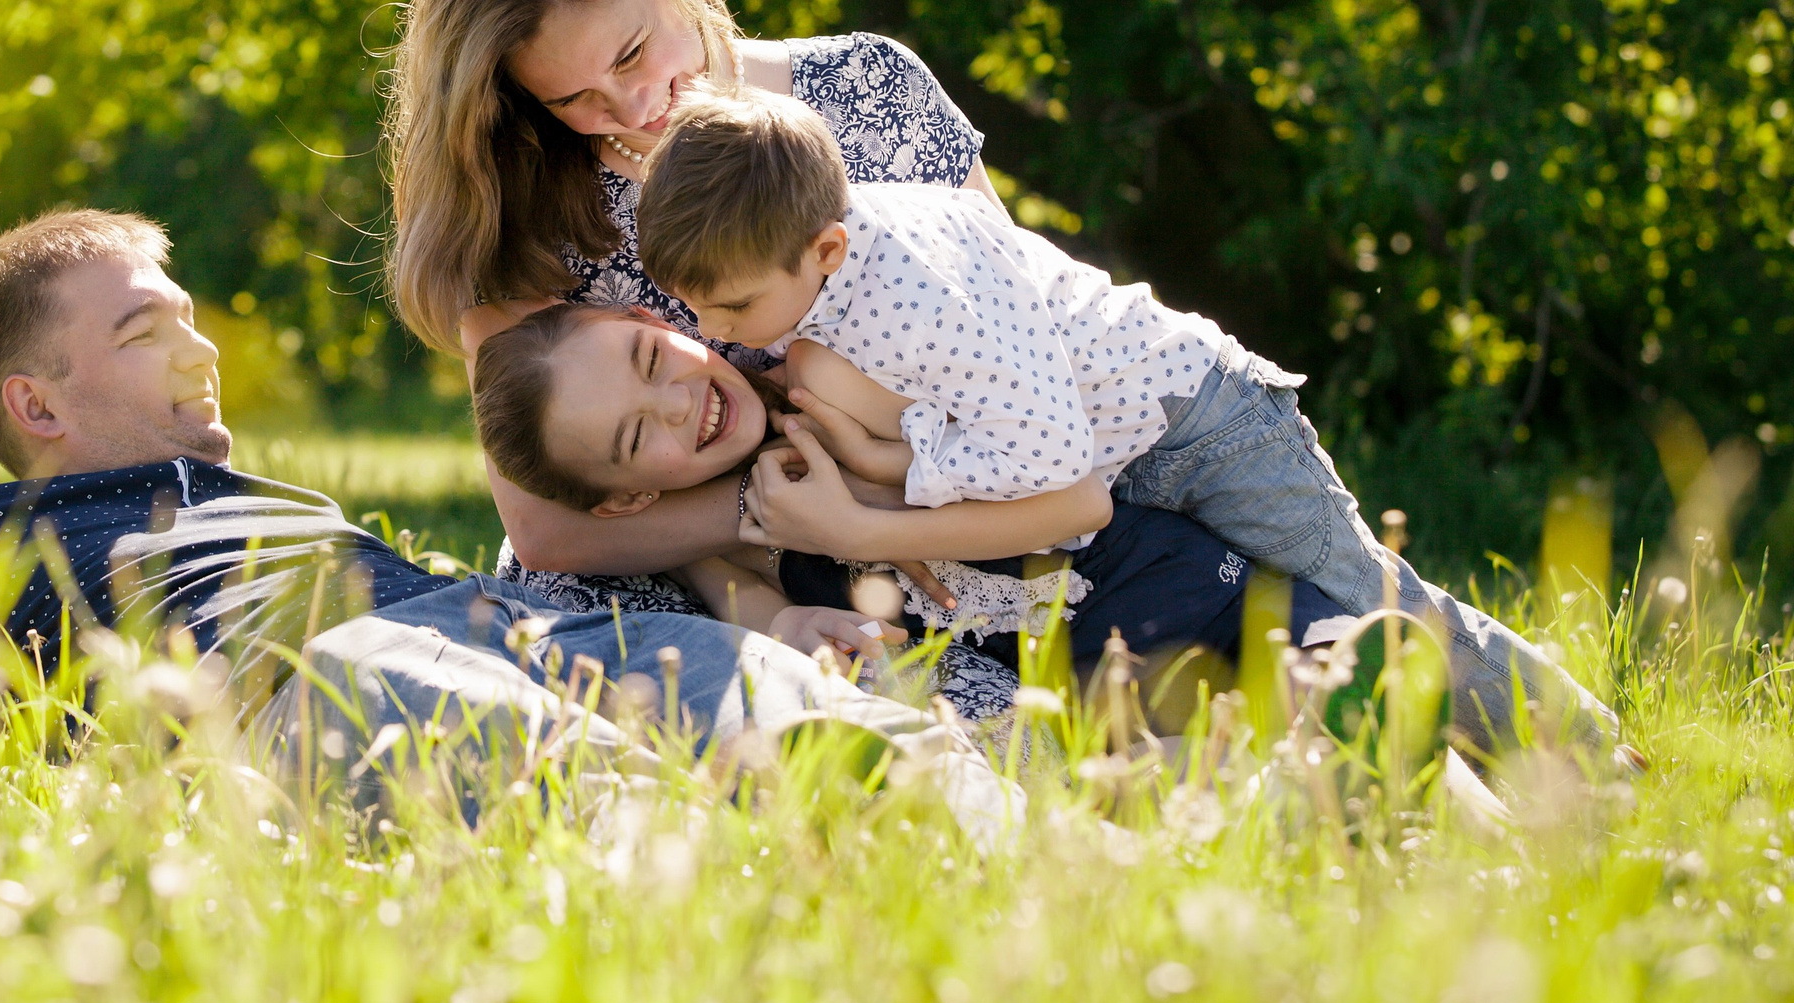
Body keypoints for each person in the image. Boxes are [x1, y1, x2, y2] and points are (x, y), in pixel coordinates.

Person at [0, 207, 1016, 835]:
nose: (202, 348)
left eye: (189, 317)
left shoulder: (275, 504)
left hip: (515, 621)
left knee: (791, 712)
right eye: (146, 334)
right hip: (308, 676)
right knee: (516, 753)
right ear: (35, 403)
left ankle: (987, 841)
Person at [607, 84, 1617, 749]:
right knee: (1322, 618)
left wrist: (876, 485)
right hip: (1121, 432)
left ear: (823, 252)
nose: (714, 330)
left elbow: (1060, 484)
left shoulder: (912, 302)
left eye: (732, 307)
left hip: (1201, 422)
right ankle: (1454, 752)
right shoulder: (831, 266)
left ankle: (1581, 749)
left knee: (1352, 587)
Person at [382, 0, 1005, 629]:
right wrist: (775, 518)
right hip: (682, 571)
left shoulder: (872, 91)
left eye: (633, 52)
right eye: (573, 98)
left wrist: (882, 511)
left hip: (962, 510)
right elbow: (551, 528)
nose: (636, 105)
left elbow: (1025, 321)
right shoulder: (522, 214)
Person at [470, 300, 1357, 696]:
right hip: (1124, 701)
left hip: (1214, 600)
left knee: (1381, 710)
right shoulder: (719, 530)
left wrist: (860, 513)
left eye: (651, 359)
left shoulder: (830, 386)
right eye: (637, 438)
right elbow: (728, 580)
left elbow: (1071, 494)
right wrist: (781, 623)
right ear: (626, 501)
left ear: (662, 322)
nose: (678, 403)